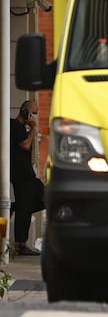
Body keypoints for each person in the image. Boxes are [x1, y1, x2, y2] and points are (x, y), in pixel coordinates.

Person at [10, 100, 45, 256]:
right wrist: (34, 129)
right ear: (25, 112)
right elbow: (24, 145)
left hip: (27, 174)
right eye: (33, 113)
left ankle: (13, 207)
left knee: (43, 198)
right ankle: (20, 244)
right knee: (27, 207)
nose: (34, 117)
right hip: (21, 175)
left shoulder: (23, 128)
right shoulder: (15, 126)